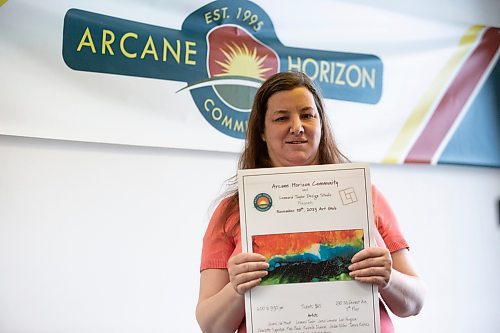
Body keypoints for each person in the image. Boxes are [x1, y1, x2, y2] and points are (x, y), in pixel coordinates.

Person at [196, 71, 425, 333]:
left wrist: (389, 278)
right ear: (261, 131)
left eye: (307, 115)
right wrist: (235, 289)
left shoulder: (364, 194)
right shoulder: (232, 211)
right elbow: (211, 326)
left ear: (321, 123)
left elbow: (415, 302)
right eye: (282, 118)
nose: (297, 127)